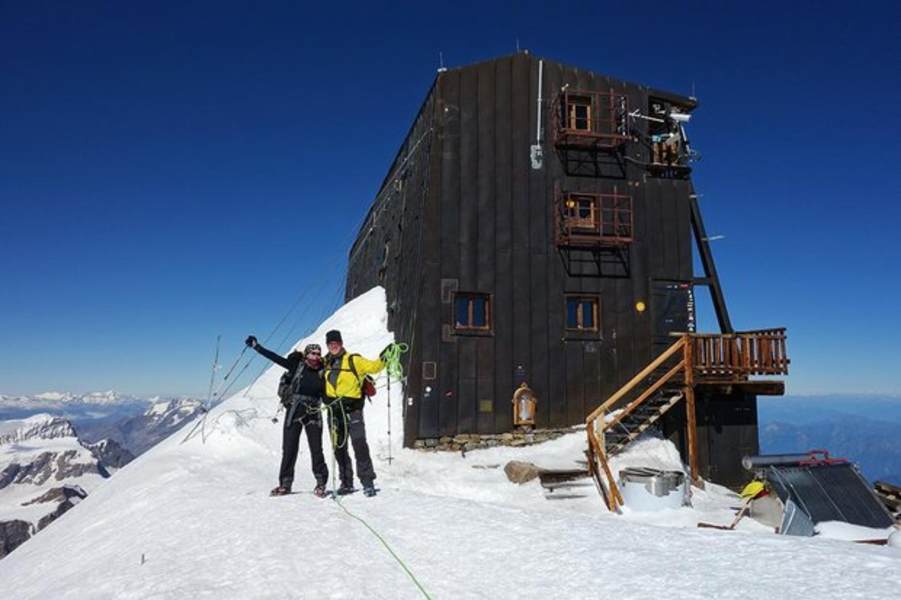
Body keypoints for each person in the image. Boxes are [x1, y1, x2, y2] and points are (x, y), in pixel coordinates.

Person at [245, 335, 329, 497]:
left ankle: (321, 484)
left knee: (316, 449)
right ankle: (285, 484)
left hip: (313, 411)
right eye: (313, 353)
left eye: (318, 354)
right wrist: (257, 347)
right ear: (306, 355)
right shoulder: (296, 365)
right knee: (289, 449)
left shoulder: (323, 371)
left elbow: (329, 392)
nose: (316, 357)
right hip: (295, 410)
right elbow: (274, 357)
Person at [321, 329, 388, 497]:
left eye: (335, 343)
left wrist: (385, 356)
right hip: (335, 412)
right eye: (330, 344)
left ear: (341, 343)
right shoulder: (325, 362)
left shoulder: (353, 360)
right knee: (339, 447)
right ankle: (346, 483)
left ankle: (368, 482)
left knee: (359, 445)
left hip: (353, 411)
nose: (333, 346)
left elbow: (374, 367)